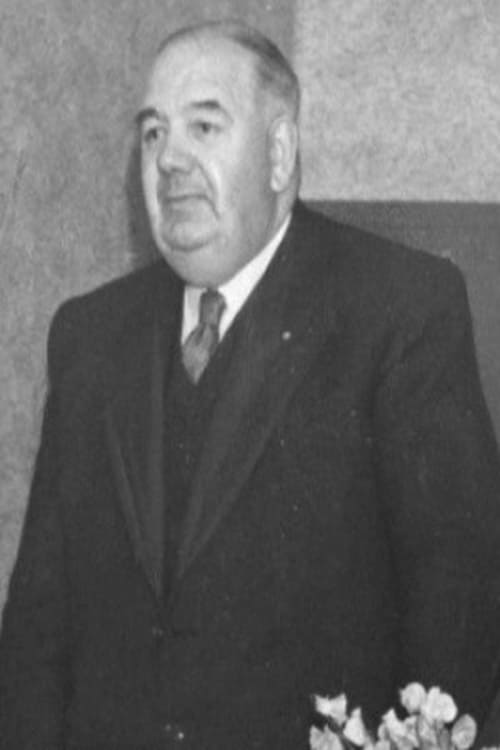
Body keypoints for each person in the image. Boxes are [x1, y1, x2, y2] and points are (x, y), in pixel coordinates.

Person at [1, 19, 500, 750]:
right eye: (153, 133)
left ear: (279, 153)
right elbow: (37, 632)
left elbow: (460, 614)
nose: (169, 159)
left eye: (204, 126)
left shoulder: (399, 310)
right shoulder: (89, 335)